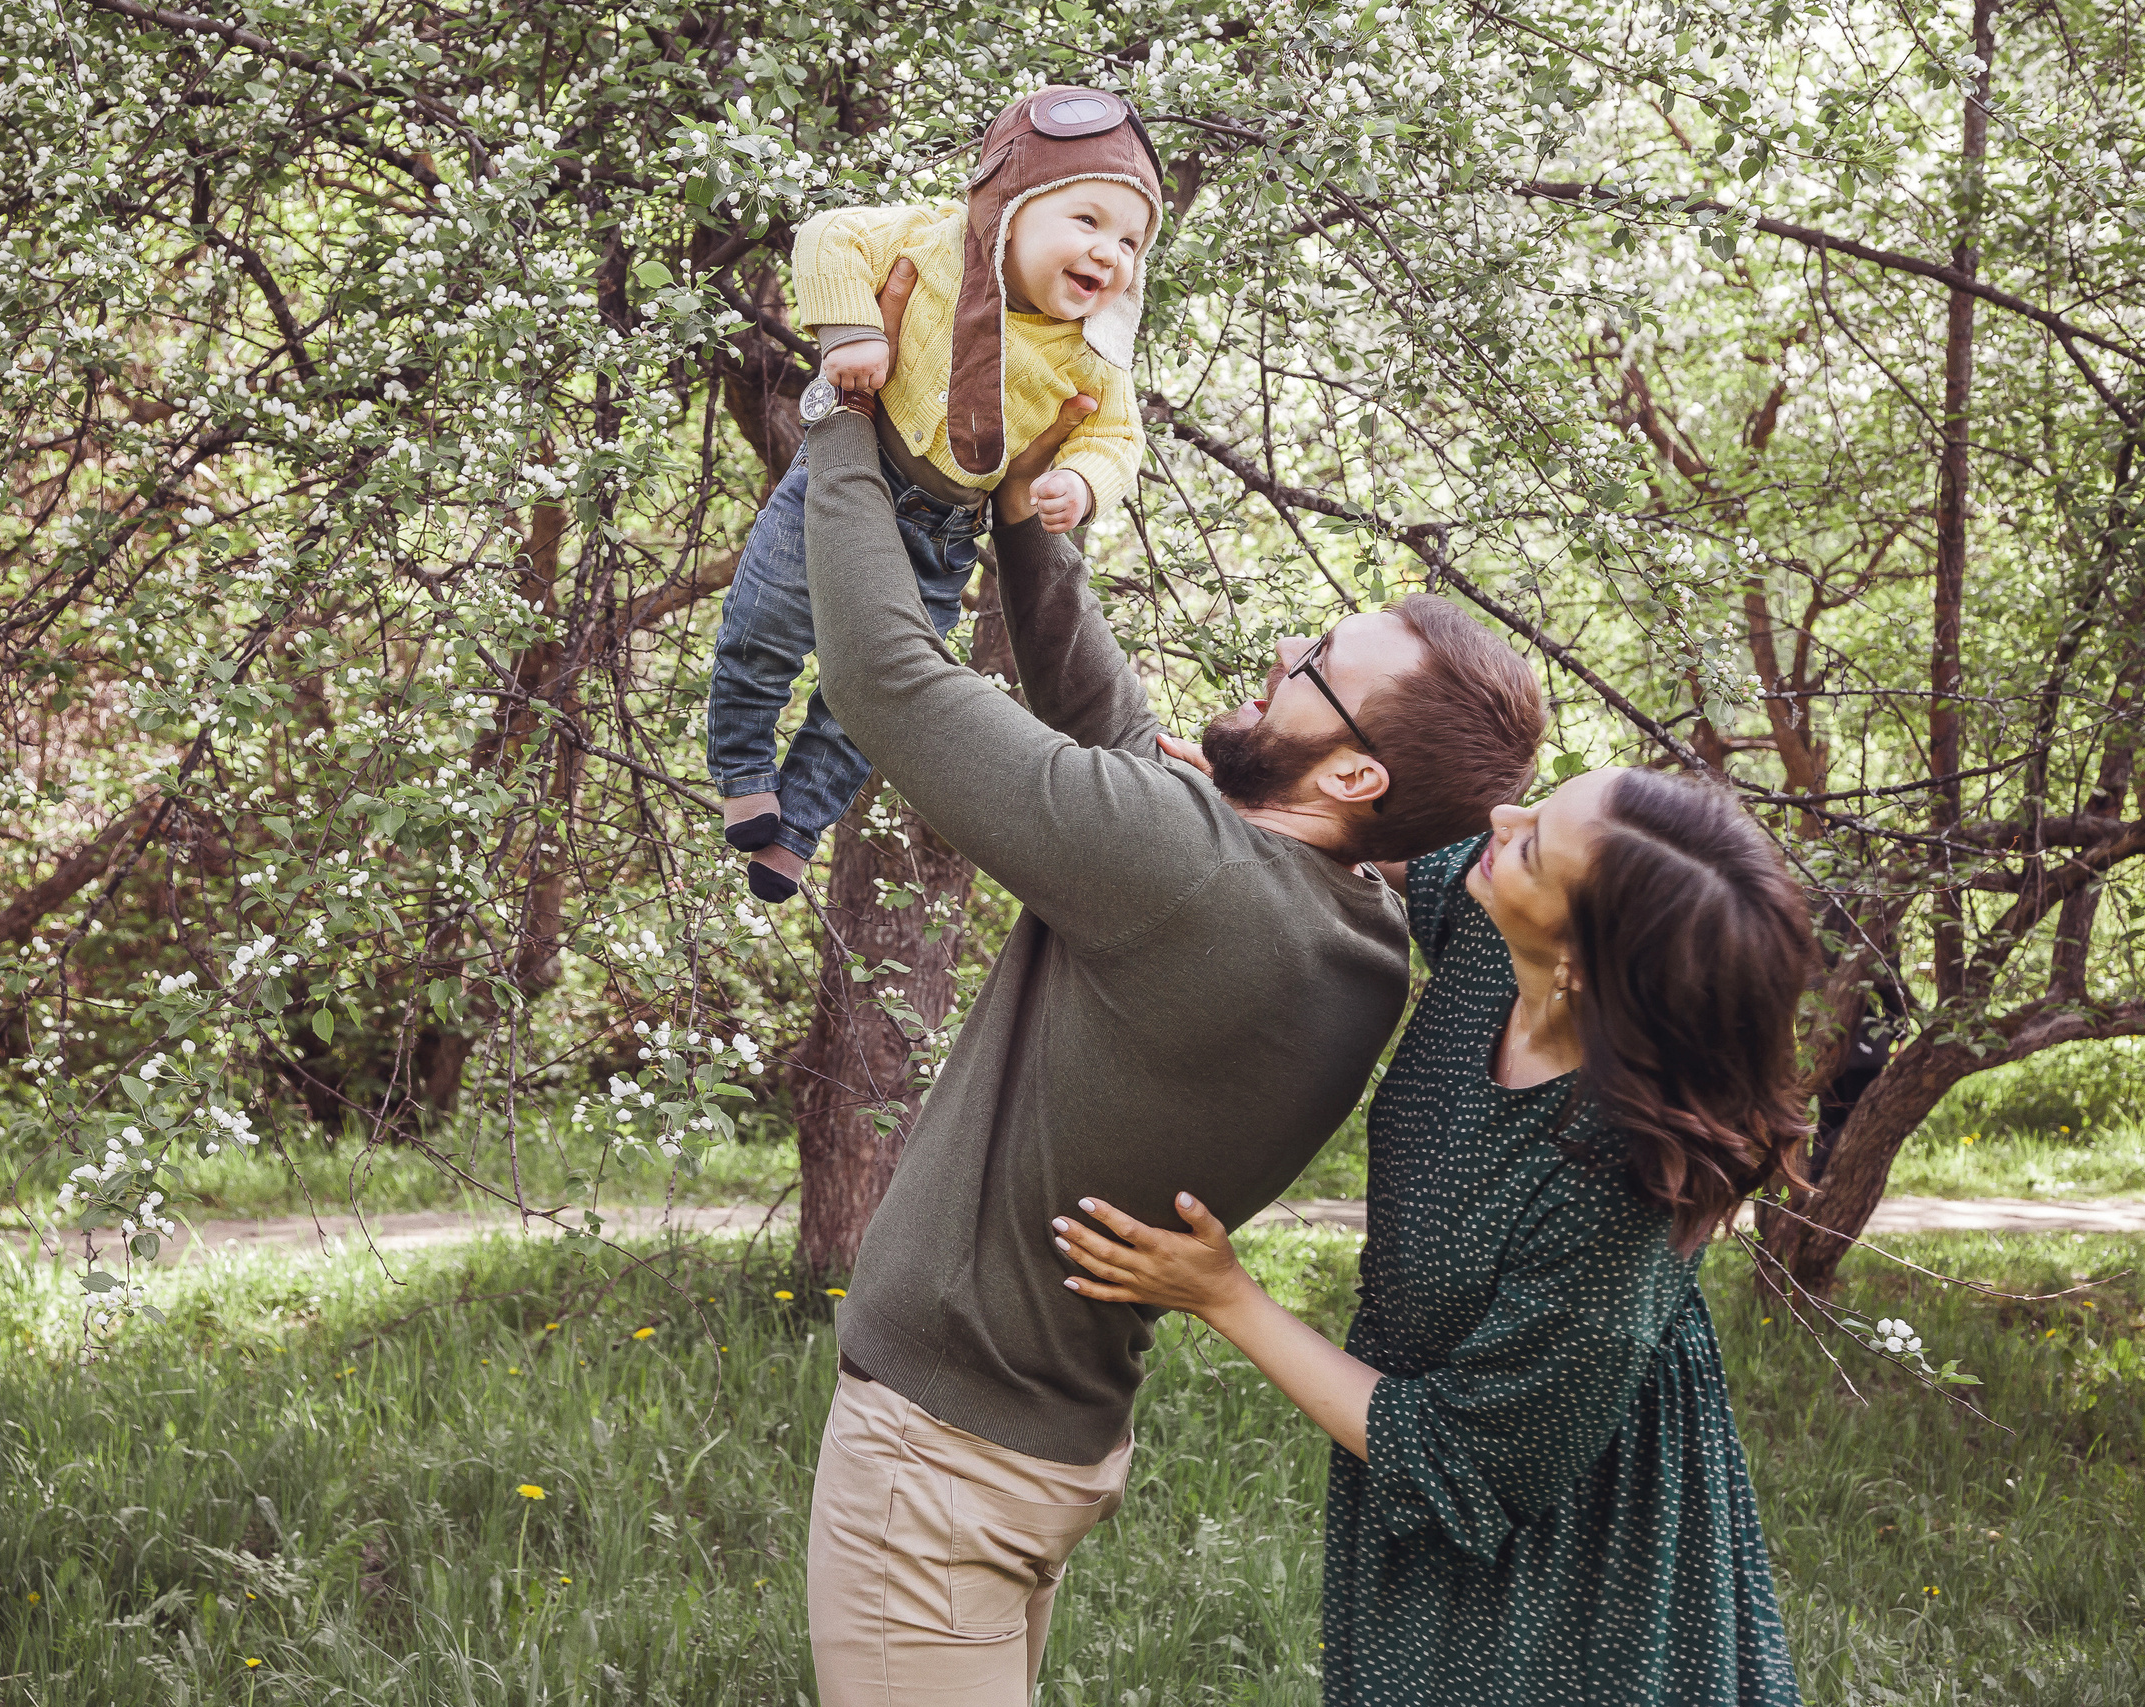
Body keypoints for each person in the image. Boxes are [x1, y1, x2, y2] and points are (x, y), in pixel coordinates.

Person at [795, 268, 1548, 1705]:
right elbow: (1125, 737)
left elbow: (885, 677)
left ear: (1353, 775)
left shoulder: (1193, 874)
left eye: (1317, 668)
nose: (1284, 654)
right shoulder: (1349, 923)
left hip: (943, 1461)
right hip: (1028, 1443)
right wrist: (1025, 518)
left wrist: (842, 406)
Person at [1054, 768, 1811, 1705]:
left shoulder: (1614, 1191)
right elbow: (1408, 853)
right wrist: (1273, 794)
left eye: (1532, 841)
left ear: (1583, 962)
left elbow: (1462, 1460)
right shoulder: (1503, 930)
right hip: (1439, 1436)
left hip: (1562, 1530)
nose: (1500, 816)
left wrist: (1224, 1296)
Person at [707, 86, 1164, 904]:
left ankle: (800, 825)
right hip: (847, 478)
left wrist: (1080, 483)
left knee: (873, 695)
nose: (1112, 253)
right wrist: (854, 332)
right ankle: (742, 772)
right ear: (1011, 208)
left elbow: (1116, 436)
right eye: (1087, 222)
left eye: (1132, 240)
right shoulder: (934, 242)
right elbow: (826, 237)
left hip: (944, 532)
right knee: (762, 623)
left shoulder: (1095, 350)